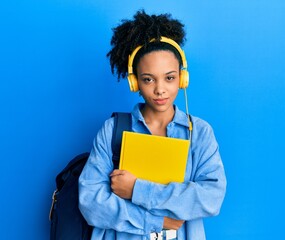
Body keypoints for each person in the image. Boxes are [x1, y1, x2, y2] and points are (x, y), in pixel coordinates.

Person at [78, 10, 226, 240]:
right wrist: (156, 221)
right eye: (148, 79)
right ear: (134, 81)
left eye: (169, 78)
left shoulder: (199, 133)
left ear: (182, 77)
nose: (160, 89)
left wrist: (136, 189)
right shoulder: (112, 130)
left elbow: (211, 198)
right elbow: (91, 203)